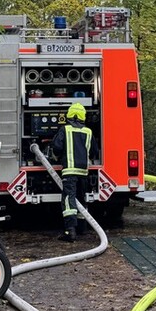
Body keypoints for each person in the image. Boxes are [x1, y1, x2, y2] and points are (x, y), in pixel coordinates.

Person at [50, 102, 99, 242]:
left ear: (69, 115)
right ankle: (82, 227)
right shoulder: (88, 132)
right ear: (83, 116)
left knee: (68, 199)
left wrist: (56, 156)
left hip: (69, 171)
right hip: (83, 171)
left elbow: (57, 147)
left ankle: (69, 231)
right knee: (81, 198)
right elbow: (94, 151)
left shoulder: (65, 130)